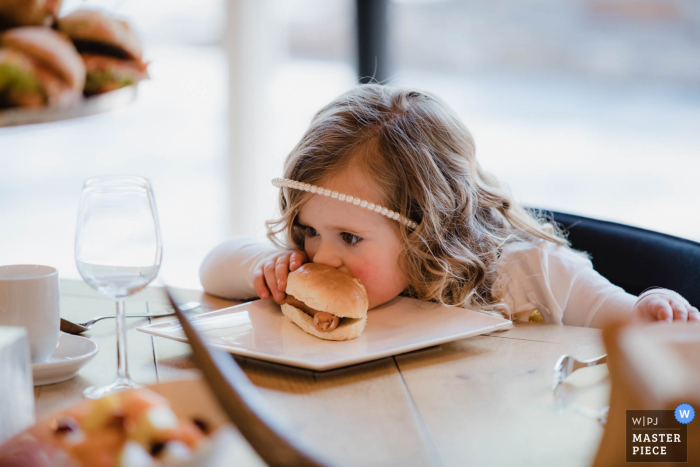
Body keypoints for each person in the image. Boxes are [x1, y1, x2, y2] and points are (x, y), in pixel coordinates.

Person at [200, 84, 699, 328]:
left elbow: (619, 318)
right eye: (309, 230)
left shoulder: (528, 272)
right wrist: (261, 267)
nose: (322, 256)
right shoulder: (314, 268)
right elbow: (212, 268)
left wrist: (651, 309)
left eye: (349, 238)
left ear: (426, 226)